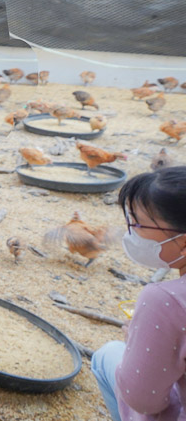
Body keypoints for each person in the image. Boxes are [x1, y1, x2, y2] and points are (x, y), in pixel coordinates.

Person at [92, 166, 186, 421]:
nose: (131, 230)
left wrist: (138, 339)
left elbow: (144, 399)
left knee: (105, 356)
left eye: (138, 223)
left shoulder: (165, 300)